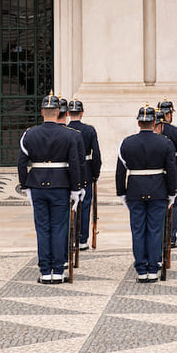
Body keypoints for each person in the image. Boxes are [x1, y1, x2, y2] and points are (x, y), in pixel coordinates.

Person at [17, 93, 84, 284]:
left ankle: (45, 271)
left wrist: (25, 185)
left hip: (37, 184)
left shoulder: (29, 134)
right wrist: (76, 188)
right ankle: (58, 269)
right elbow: (74, 164)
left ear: (42, 112)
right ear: (58, 112)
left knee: (43, 228)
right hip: (61, 184)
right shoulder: (70, 135)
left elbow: (21, 163)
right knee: (59, 227)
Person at [116, 105, 177, 282]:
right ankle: (153, 267)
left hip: (135, 190)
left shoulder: (126, 143)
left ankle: (141, 269)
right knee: (155, 230)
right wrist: (172, 192)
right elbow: (171, 170)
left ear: (138, 123)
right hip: (158, 190)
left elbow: (120, 171)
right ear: (154, 123)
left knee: (138, 231)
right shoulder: (165, 142)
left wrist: (121, 192)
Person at [67, 98, 102, 250]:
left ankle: (70, 237)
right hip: (86, 171)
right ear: (82, 113)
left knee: (69, 206)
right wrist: (95, 173)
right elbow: (97, 155)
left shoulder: (65, 130)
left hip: (68, 172)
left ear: (68, 113)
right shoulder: (89, 130)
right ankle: (82, 239)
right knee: (85, 205)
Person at [158, 98, 177, 247]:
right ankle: (171, 237)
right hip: (174, 172)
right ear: (169, 114)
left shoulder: (155, 131)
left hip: (158, 173)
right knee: (174, 205)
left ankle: (160, 235)